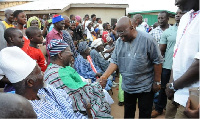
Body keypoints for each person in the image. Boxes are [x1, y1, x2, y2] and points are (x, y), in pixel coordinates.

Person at [100, 16, 163, 118]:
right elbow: (114, 61)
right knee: (128, 114)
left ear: (132, 27)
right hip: (128, 86)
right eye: (119, 34)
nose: (121, 37)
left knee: (145, 115)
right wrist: (104, 76)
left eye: (123, 34)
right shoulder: (120, 42)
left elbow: (157, 61)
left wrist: (157, 81)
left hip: (145, 87)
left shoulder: (147, 40)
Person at [0, 46, 89, 119]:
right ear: (30, 82)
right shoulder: (26, 112)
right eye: (39, 72)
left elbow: (72, 112)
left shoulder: (46, 89)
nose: (43, 74)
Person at [44, 39, 112, 118]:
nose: (72, 54)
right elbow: (78, 93)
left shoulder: (60, 68)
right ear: (60, 55)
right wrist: (98, 85)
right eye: (69, 51)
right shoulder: (58, 74)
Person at [165, 0, 199, 118]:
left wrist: (174, 86)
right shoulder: (185, 18)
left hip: (193, 96)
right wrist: (171, 84)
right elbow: (177, 54)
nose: (176, 3)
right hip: (175, 89)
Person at [151, 8, 185, 118]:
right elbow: (161, 51)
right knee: (164, 88)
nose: (178, 15)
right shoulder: (168, 32)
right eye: (177, 14)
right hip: (168, 66)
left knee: (181, 87)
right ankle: (159, 108)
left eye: (181, 13)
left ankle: (177, 108)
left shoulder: (189, 29)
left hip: (183, 67)